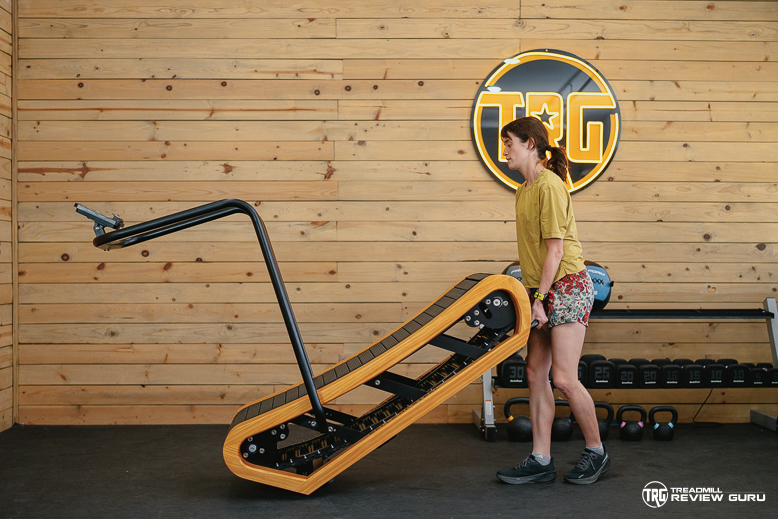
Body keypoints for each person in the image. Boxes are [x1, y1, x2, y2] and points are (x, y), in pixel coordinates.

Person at [496, 116, 610, 485]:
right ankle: (541, 458)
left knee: (562, 376)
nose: (506, 150)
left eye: (509, 142)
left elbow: (556, 251)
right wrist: (532, 298)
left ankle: (596, 452)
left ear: (530, 143)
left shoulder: (550, 185)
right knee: (534, 372)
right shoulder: (523, 190)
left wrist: (541, 300)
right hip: (540, 290)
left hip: (569, 285)